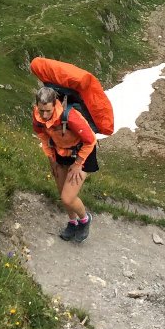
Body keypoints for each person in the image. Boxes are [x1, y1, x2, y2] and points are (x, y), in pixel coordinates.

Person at [32, 85, 98, 242]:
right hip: (60, 153)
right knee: (62, 194)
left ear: (55, 103)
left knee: (68, 197)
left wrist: (78, 164)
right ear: (37, 106)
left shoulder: (71, 117)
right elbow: (44, 138)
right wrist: (51, 160)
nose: (45, 114)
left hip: (82, 154)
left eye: (48, 110)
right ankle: (72, 222)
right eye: (42, 110)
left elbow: (90, 140)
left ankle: (85, 219)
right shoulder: (38, 118)